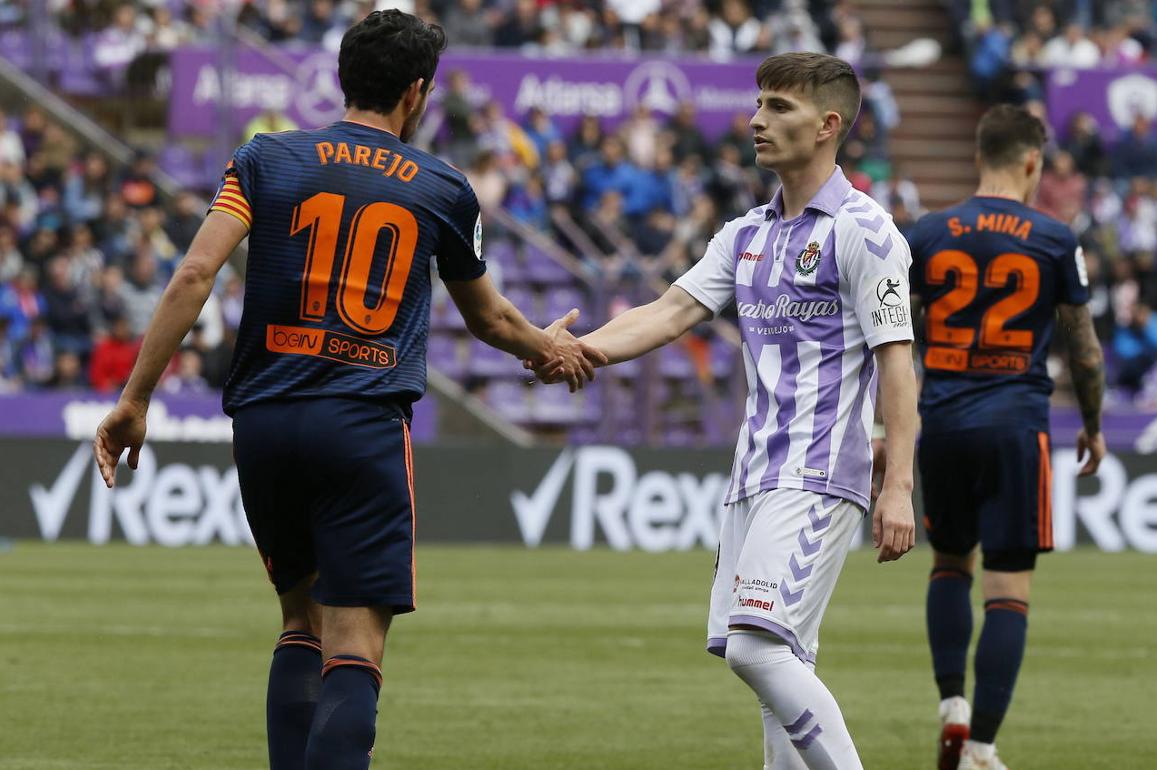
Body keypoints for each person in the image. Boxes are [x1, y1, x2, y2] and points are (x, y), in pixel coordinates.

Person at [92, 10, 603, 770]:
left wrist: (135, 399)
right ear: (417, 92)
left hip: (263, 421)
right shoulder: (440, 186)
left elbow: (195, 273)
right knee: (354, 644)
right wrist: (552, 350)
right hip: (360, 424)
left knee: (299, 623)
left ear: (343, 77)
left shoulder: (265, 158)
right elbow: (492, 319)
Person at [532, 52, 919, 770]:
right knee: (778, 669)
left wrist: (898, 484)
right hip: (753, 474)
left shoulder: (866, 232)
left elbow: (898, 359)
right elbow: (669, 310)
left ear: (828, 124)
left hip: (817, 471)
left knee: (757, 647)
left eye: (778, 107)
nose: (756, 120)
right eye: (759, 104)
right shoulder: (747, 234)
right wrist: (575, 350)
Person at [906, 105, 1106, 770]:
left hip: (942, 424)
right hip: (1016, 428)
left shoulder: (928, 233)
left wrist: (888, 427)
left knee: (948, 564)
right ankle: (982, 748)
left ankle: (951, 708)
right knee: (1008, 590)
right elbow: (1084, 351)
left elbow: (894, 339)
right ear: (1031, 163)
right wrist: (1095, 426)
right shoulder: (1053, 237)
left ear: (976, 157)